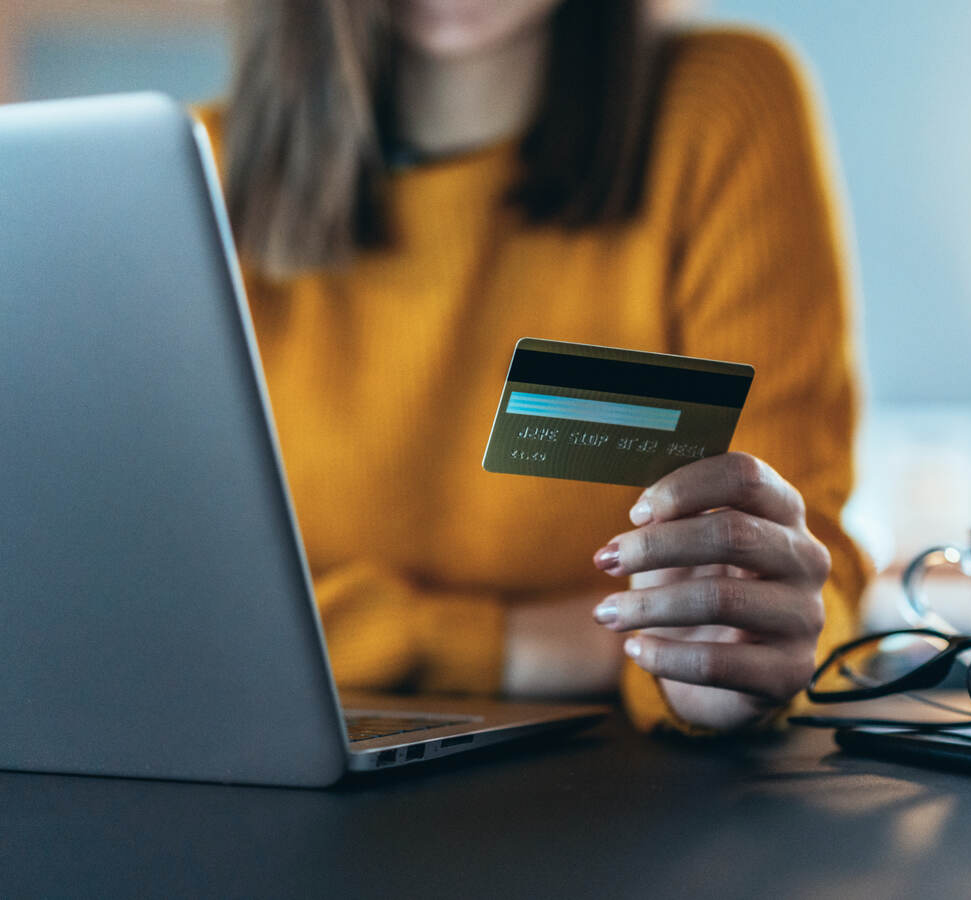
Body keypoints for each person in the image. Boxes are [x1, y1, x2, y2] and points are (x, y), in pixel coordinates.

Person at [196, 0, 867, 734]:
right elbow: (158, 618)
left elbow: (801, 564)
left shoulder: (721, 104)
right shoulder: (190, 175)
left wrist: (729, 664)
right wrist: (519, 646)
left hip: (637, 802)